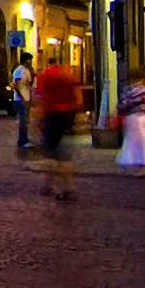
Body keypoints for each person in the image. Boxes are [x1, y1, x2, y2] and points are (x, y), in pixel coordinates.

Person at [32, 55, 83, 201]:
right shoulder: (68, 76)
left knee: (52, 153)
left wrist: (36, 119)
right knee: (61, 152)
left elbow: (39, 97)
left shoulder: (46, 76)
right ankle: (48, 184)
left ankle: (66, 187)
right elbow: (78, 97)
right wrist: (76, 115)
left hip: (51, 115)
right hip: (67, 116)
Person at [10, 55, 34, 151]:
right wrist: (21, 97)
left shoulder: (27, 71)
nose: (31, 62)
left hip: (26, 98)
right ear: (25, 60)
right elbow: (16, 85)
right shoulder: (19, 71)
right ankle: (22, 140)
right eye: (29, 60)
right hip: (20, 99)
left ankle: (25, 139)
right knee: (23, 120)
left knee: (25, 120)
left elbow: (28, 85)